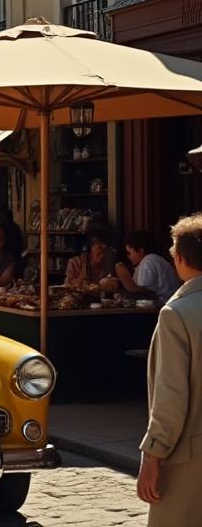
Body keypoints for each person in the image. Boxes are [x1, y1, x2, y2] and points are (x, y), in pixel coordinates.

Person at [137, 213, 202, 523]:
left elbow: (170, 398)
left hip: (190, 457)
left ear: (179, 258)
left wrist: (153, 456)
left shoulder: (176, 314)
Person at [116, 232, 182, 305]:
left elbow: (146, 296)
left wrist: (124, 278)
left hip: (160, 307)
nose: (129, 257)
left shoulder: (149, 261)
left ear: (141, 250)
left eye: (130, 253)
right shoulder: (153, 260)